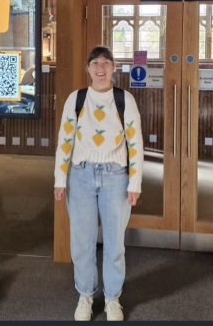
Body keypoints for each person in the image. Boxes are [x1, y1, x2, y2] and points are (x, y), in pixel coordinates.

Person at [53, 46, 144, 321]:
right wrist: (60, 178)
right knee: (82, 242)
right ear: (88, 68)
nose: (100, 68)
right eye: (95, 63)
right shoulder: (76, 99)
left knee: (115, 242)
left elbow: (135, 143)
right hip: (80, 174)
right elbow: (65, 140)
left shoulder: (124, 99)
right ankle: (86, 294)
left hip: (116, 175)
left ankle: (113, 298)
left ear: (113, 67)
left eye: (106, 63)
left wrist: (135, 182)